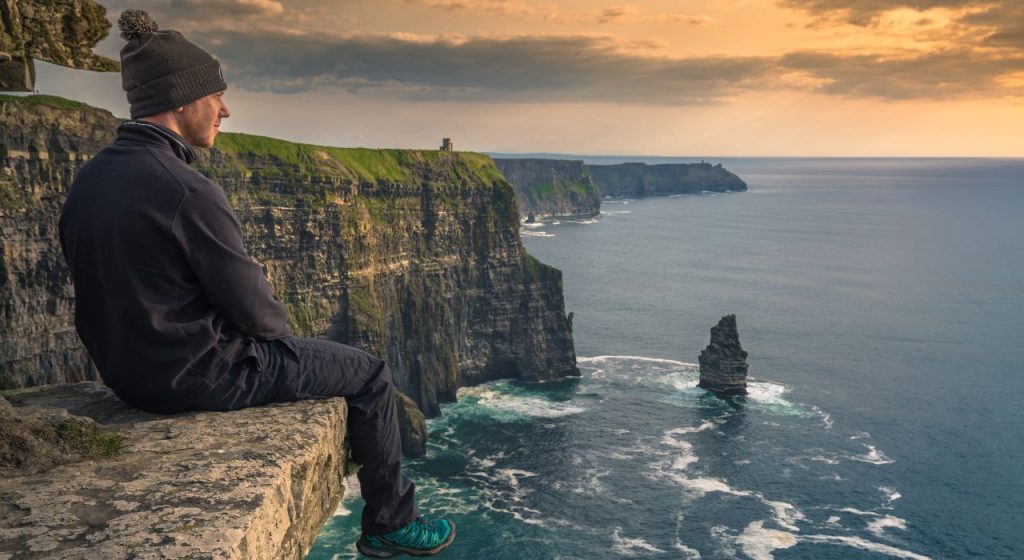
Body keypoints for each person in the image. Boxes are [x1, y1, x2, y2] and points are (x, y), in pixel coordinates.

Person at [57, 9, 454, 558]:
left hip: (128, 375)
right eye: (215, 95)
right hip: (197, 376)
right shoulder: (185, 189)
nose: (225, 108)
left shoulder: (93, 177)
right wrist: (271, 339)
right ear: (181, 100)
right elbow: (259, 315)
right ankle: (390, 523)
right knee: (369, 374)